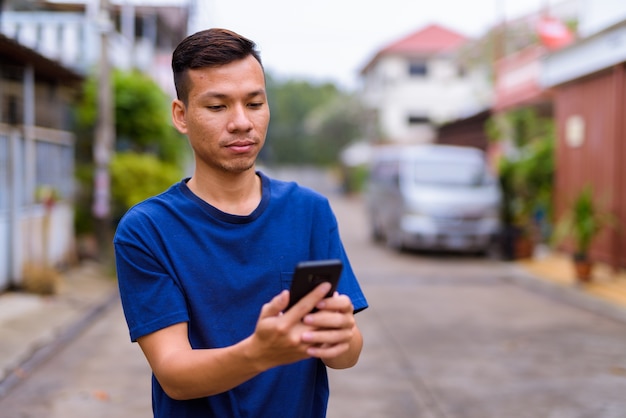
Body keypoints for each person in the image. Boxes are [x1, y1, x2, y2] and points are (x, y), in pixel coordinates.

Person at [113, 28, 368, 418]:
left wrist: (340, 337)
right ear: (181, 116)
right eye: (217, 107)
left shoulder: (309, 211)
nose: (241, 122)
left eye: (254, 103)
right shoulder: (147, 229)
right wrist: (259, 353)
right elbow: (174, 375)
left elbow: (345, 356)